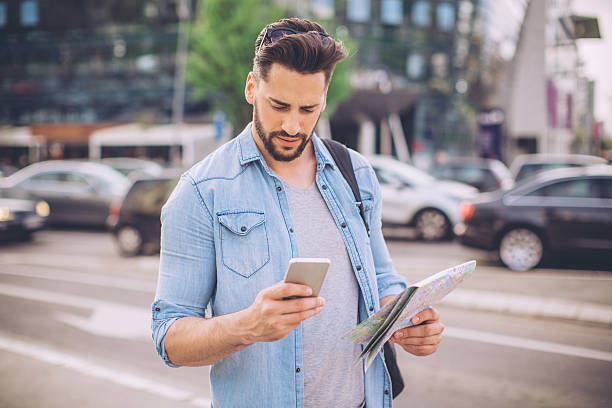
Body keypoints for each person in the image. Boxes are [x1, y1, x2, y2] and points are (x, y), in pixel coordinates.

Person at [152, 17, 444, 408]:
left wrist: (404, 318)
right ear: (252, 88)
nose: (293, 125)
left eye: (309, 109)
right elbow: (169, 338)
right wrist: (247, 326)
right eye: (279, 106)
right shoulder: (200, 193)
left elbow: (380, 275)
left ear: (324, 99)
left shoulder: (355, 173)